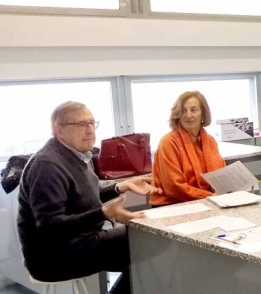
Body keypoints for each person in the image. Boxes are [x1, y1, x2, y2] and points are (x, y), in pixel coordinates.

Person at [17, 101, 161, 294]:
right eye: (81, 125)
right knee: (147, 243)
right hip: (54, 256)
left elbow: (79, 196)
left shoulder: (75, 155)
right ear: (59, 130)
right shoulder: (47, 165)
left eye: (92, 124)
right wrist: (103, 213)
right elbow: (50, 226)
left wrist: (119, 187)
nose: (90, 130)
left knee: (145, 241)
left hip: (78, 242)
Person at [151, 91, 226, 207]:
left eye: (193, 110)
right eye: (183, 110)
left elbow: (221, 174)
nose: (188, 115)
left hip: (208, 201)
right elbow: (174, 188)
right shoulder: (168, 142)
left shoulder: (210, 141)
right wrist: (210, 197)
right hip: (173, 205)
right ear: (178, 115)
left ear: (203, 114)